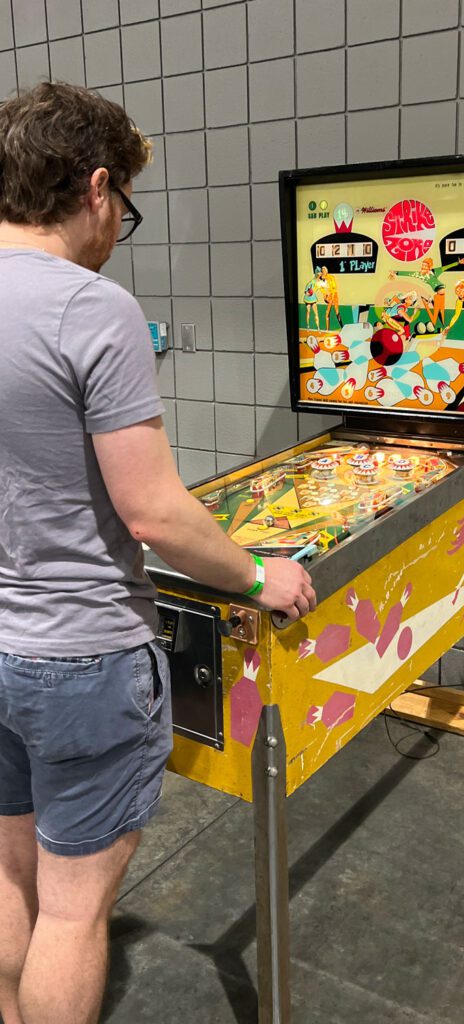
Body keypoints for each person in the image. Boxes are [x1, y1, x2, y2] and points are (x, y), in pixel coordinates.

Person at [0, 82, 316, 1024]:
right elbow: (156, 516)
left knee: (10, 873)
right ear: (97, 188)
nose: (116, 231)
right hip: (83, 656)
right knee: (72, 907)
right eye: (123, 209)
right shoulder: (94, 308)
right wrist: (265, 575)